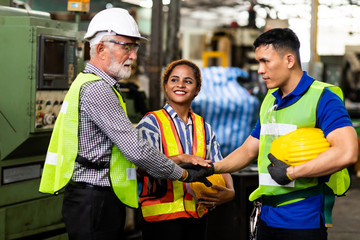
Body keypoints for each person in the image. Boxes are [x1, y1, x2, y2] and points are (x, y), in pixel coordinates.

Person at [39, 8, 213, 240]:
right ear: (101, 48)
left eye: (135, 48)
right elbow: (135, 150)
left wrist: (177, 158)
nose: (133, 56)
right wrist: (181, 174)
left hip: (94, 198)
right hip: (94, 200)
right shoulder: (99, 89)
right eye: (126, 47)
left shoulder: (92, 83)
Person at [212, 28, 358, 240]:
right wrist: (212, 168)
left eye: (265, 61)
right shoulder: (271, 99)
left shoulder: (323, 98)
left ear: (289, 60)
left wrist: (292, 173)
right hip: (267, 216)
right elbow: (248, 149)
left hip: (301, 220)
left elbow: (347, 152)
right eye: (258, 62)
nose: (260, 70)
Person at [136, 59, 235, 240]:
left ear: (197, 89)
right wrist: (181, 158)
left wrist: (231, 191)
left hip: (197, 214)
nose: (180, 84)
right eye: (174, 80)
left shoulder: (204, 127)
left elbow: (219, 164)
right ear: (165, 86)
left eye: (188, 81)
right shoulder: (151, 123)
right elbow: (143, 168)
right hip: (161, 219)